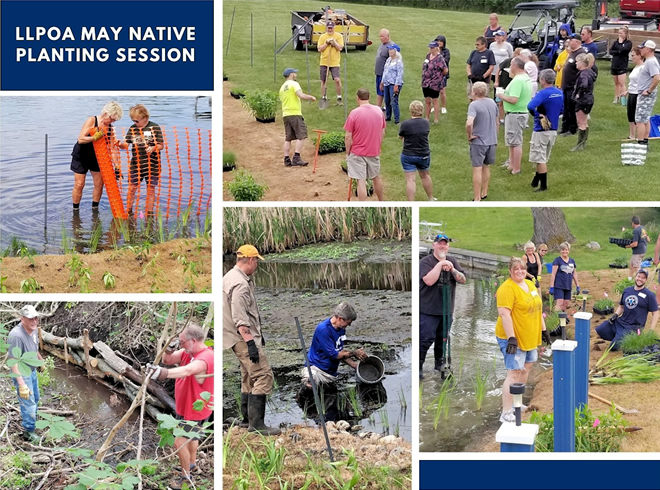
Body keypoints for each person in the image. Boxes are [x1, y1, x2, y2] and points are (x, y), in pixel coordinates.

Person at [223, 244, 280, 436]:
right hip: (242, 338)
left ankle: (246, 421)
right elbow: (240, 319)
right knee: (263, 376)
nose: (256, 265)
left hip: (233, 338)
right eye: (256, 261)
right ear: (250, 260)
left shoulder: (230, 277)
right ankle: (257, 425)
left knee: (248, 376)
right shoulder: (240, 284)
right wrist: (251, 344)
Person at [149, 324, 214, 490]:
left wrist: (161, 373)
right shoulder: (188, 352)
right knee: (192, 437)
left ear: (193, 340)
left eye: (183, 341)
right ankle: (191, 464)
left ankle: (186, 477)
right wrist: (168, 350)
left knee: (179, 442)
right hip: (185, 406)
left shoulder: (205, 357)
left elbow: (187, 371)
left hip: (195, 410)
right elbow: (168, 361)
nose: (181, 344)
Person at [495, 257, 551, 423]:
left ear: (525, 269)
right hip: (513, 337)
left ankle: (516, 404)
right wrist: (511, 338)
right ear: (510, 271)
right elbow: (504, 314)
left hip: (530, 336)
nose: (519, 272)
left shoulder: (530, 284)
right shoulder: (507, 288)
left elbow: (537, 307)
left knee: (525, 369)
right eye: (515, 269)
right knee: (513, 372)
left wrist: (544, 329)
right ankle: (506, 412)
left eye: (522, 269)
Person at [419, 234, 467, 377]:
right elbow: (428, 281)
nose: (442, 246)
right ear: (434, 245)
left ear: (448, 247)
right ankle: (419, 366)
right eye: (439, 243)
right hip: (428, 310)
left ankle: (440, 366)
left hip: (446, 310)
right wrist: (440, 265)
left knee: (443, 339)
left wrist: (452, 270)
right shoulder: (426, 262)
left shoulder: (452, 261)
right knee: (425, 339)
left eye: (445, 244)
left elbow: (463, 279)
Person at [70, 101, 123, 210]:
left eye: (114, 120)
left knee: (99, 184)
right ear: (105, 114)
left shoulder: (110, 129)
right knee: (79, 184)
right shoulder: (91, 120)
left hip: (98, 158)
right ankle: (75, 210)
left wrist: (117, 166)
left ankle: (95, 209)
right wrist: (94, 138)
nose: (112, 122)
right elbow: (80, 139)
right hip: (82, 156)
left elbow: (112, 149)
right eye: (112, 119)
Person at [303, 303, 368, 386]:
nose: (349, 325)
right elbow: (334, 355)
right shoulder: (323, 330)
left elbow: (340, 352)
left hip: (330, 374)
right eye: (348, 323)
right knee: (309, 387)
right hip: (316, 370)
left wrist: (355, 365)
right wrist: (354, 353)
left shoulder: (341, 329)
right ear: (340, 319)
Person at [116, 104, 163, 216]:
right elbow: (126, 145)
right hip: (136, 164)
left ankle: (150, 214)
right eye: (133, 120)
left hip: (153, 164)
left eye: (137, 121)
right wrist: (120, 145)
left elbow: (161, 145)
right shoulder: (133, 128)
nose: (135, 123)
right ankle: (128, 211)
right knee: (132, 187)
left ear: (145, 117)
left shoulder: (154, 127)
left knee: (151, 189)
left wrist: (153, 148)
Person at [595, 269, 658, 350]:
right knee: (600, 329)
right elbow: (621, 307)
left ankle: (622, 338)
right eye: (639, 276)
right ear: (636, 277)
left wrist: (651, 330)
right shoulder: (627, 290)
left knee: (613, 347)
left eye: (643, 278)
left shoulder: (649, 295)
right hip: (621, 322)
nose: (640, 279)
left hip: (633, 327)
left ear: (645, 280)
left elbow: (655, 313)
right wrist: (615, 315)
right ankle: (619, 336)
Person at [8, 305, 44, 444]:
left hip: (32, 369)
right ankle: (29, 431)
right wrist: (22, 384)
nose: (34, 321)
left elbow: (34, 348)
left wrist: (40, 361)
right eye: (30, 319)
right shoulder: (16, 336)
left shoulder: (33, 330)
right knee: (28, 401)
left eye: (36, 318)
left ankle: (32, 420)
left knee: (36, 397)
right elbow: (13, 362)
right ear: (22, 319)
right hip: (22, 373)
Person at [344, 88, 386, 201]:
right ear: (369, 97)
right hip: (373, 151)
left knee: (360, 181)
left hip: (357, 152)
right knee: (376, 178)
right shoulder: (378, 111)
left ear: (357, 98)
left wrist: (348, 151)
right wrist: (378, 146)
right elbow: (382, 132)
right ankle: (381, 202)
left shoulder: (354, 113)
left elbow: (348, 136)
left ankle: (362, 205)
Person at [528, 69, 563, 192]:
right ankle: (535, 181)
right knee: (543, 156)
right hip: (553, 129)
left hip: (541, 130)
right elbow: (562, 110)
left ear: (542, 80)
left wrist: (537, 115)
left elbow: (530, 106)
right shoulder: (559, 93)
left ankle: (543, 186)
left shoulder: (542, 93)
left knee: (539, 158)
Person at [277, 68, 316, 167]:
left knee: (288, 138)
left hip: (285, 114)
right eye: (294, 73)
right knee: (301, 135)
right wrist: (310, 97)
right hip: (295, 113)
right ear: (291, 74)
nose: (296, 75)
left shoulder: (282, 88)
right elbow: (300, 95)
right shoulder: (294, 84)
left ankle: (286, 159)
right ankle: (296, 158)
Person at [499, 57, 532, 174]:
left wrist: (501, 96)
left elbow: (513, 99)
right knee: (512, 141)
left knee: (516, 142)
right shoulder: (525, 77)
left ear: (515, 66)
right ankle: (511, 164)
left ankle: (516, 168)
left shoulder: (518, 80)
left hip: (516, 114)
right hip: (519, 112)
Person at [466, 81, 498, 201]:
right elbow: (496, 121)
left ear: (474, 92)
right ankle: (484, 192)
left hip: (479, 142)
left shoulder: (474, 105)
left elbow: (469, 123)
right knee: (486, 166)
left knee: (477, 168)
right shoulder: (492, 102)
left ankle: (477, 198)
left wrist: (469, 135)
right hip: (492, 140)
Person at [399, 100, 435, 201]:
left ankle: (411, 203)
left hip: (408, 155)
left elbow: (400, 136)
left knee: (410, 180)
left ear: (411, 111)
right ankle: (431, 198)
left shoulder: (405, 124)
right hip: (423, 154)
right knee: (425, 176)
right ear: (422, 110)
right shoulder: (426, 123)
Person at [634, 40, 660, 146]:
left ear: (648, 49)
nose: (640, 50)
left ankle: (641, 143)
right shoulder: (649, 61)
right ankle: (645, 140)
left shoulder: (651, 62)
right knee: (645, 118)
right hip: (645, 93)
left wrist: (649, 90)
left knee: (640, 119)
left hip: (646, 94)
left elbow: (657, 77)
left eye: (642, 48)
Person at [560, 34, 586, 136]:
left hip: (573, 86)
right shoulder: (572, 53)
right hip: (566, 85)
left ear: (578, 42)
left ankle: (572, 129)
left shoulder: (581, 54)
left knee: (571, 108)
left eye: (572, 40)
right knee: (566, 107)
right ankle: (564, 127)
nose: (569, 42)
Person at [571, 53, 597, 152]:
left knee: (581, 122)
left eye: (577, 62)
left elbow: (584, 85)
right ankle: (583, 142)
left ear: (582, 63)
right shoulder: (590, 72)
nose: (576, 63)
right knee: (585, 122)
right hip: (589, 99)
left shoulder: (583, 74)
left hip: (583, 100)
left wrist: (578, 94)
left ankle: (580, 144)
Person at [549, 242, 580, 315]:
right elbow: (553, 274)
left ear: (568, 250)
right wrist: (551, 287)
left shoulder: (572, 261)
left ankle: (562, 318)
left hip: (568, 285)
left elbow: (574, 274)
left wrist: (577, 285)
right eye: (563, 250)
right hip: (559, 285)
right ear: (560, 251)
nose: (564, 251)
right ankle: (555, 318)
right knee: (559, 302)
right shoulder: (557, 260)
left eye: (566, 250)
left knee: (566, 303)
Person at [318, 21, 344, 106]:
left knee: (337, 79)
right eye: (328, 28)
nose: (330, 29)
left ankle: (339, 97)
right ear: (326, 28)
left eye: (331, 28)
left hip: (334, 62)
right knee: (323, 80)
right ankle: (323, 97)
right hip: (324, 61)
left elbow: (340, 48)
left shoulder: (339, 36)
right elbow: (319, 49)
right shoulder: (322, 37)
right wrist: (326, 43)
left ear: (334, 27)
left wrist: (334, 42)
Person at [421, 41, 448, 124]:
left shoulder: (440, 58)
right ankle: (427, 118)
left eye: (432, 48)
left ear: (436, 48)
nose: (430, 49)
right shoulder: (428, 56)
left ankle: (436, 119)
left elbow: (445, 70)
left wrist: (438, 77)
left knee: (435, 100)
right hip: (426, 82)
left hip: (435, 83)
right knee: (427, 101)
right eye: (430, 48)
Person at [494, 48, 521, 125]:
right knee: (500, 102)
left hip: (513, 85)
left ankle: (510, 116)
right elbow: (498, 70)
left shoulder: (521, 64)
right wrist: (496, 81)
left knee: (511, 100)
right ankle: (502, 118)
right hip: (503, 84)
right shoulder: (507, 61)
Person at [624, 48, 645, 140]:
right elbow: (634, 82)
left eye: (633, 56)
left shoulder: (643, 68)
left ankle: (640, 135)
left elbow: (643, 82)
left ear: (640, 56)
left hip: (638, 94)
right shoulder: (636, 67)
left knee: (637, 116)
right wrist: (627, 91)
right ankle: (632, 135)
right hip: (632, 93)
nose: (632, 58)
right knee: (630, 115)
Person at [381, 43, 404, 124]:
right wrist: (382, 82)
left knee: (394, 101)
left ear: (395, 51)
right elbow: (385, 71)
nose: (389, 51)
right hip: (387, 83)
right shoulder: (388, 60)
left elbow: (399, 74)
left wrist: (396, 85)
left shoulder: (398, 62)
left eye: (391, 50)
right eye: (389, 49)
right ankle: (388, 116)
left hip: (394, 84)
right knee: (387, 100)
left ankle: (397, 119)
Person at [610, 26, 633, 104]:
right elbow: (611, 51)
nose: (619, 34)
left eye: (621, 33)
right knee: (616, 83)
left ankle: (623, 100)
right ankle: (616, 98)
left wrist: (618, 49)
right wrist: (618, 51)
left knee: (622, 83)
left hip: (622, 65)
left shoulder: (628, 43)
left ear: (625, 34)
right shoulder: (615, 42)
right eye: (619, 33)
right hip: (614, 64)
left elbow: (624, 50)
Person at [626, 216, 649, 280]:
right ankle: (629, 279)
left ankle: (642, 278)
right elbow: (648, 239)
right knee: (631, 265)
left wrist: (627, 246)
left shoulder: (636, 231)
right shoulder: (643, 228)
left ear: (633, 223)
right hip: (643, 249)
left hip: (638, 251)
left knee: (636, 267)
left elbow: (635, 244)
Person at [375, 29, 392, 109]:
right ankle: (378, 107)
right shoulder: (382, 45)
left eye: (382, 36)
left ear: (388, 37)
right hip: (379, 73)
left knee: (384, 91)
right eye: (380, 36)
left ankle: (386, 107)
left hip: (385, 74)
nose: (381, 38)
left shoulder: (391, 47)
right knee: (379, 91)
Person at [435, 35, 451, 113]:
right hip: (434, 73)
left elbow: (446, 61)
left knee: (442, 91)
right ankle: (435, 105)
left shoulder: (446, 51)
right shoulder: (433, 50)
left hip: (443, 74)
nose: (439, 43)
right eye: (438, 41)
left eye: (441, 41)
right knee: (434, 90)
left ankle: (443, 106)